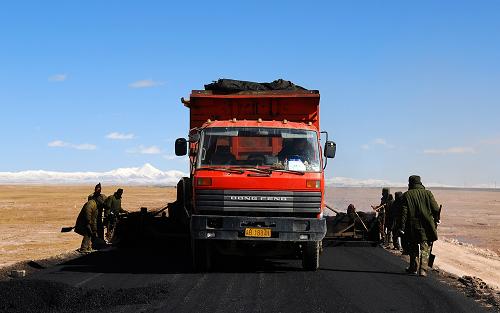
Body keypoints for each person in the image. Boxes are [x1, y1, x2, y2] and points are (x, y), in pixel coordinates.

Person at [399, 175, 440, 276]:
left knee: (413, 245)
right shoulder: (428, 193)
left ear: (410, 183)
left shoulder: (406, 195)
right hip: (426, 225)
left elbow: (404, 213)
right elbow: (435, 209)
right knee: (425, 246)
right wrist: (437, 219)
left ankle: (414, 267)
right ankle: (423, 269)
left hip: (412, 226)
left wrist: (402, 227)